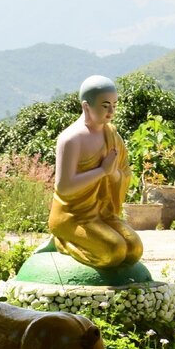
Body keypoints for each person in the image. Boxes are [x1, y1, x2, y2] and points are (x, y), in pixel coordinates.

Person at [48, 76, 143, 268]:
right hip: (73, 216)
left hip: (102, 212)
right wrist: (101, 171)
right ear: (86, 106)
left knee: (134, 249)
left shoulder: (111, 134)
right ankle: (63, 241)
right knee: (114, 252)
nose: (111, 112)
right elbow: (64, 187)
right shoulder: (71, 139)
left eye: (114, 105)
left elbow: (123, 173)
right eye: (105, 105)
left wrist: (112, 173)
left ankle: (89, 239)